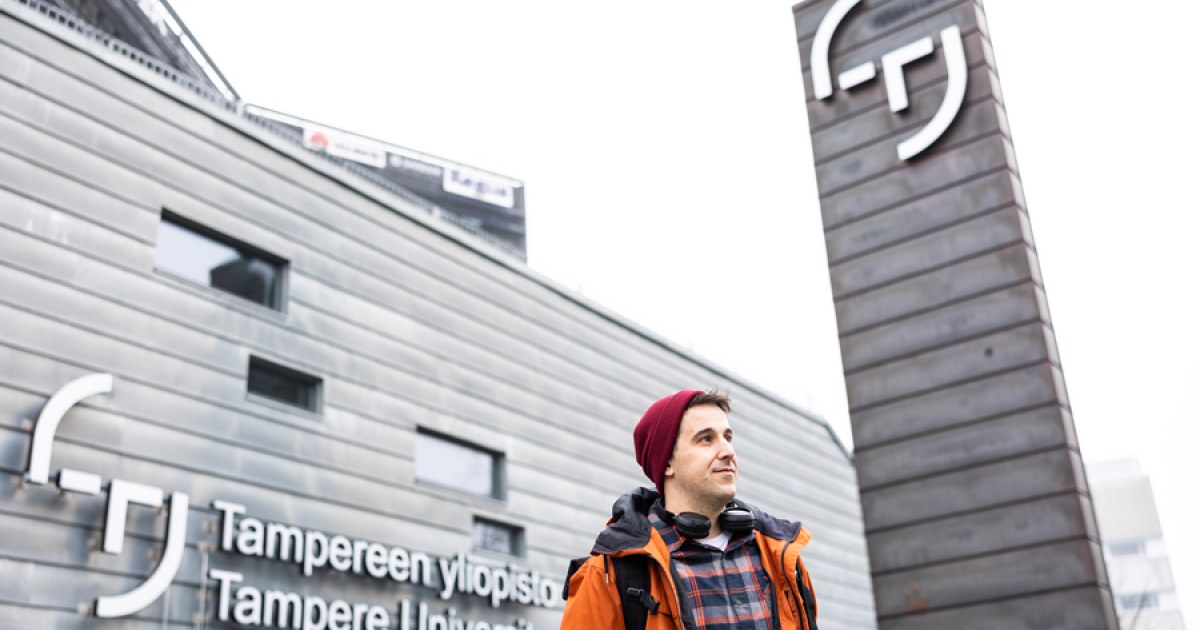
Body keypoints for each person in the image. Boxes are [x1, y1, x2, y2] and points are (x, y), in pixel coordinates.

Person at [561, 389, 818, 630]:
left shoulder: (781, 556)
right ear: (666, 463)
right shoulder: (611, 573)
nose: (728, 451)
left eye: (728, 438)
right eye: (706, 439)